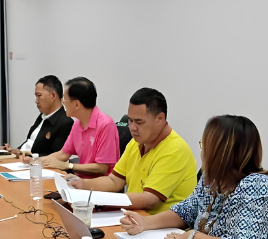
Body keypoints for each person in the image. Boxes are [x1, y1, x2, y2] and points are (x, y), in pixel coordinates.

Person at [120, 115, 268, 239]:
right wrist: (145, 223)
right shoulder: (211, 179)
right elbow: (186, 211)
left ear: (221, 153)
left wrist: (192, 237)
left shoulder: (257, 185)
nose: (202, 153)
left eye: (205, 146)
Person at [65, 88, 197, 214]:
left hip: (161, 225)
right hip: (133, 216)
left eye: (139, 122)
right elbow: (114, 181)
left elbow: (149, 199)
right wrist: (82, 184)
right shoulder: (136, 143)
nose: (132, 128)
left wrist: (97, 200)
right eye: (130, 120)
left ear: (160, 119)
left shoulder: (174, 149)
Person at [33, 77, 120, 179]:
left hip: (100, 185)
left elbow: (102, 168)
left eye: (64, 99)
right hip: (79, 181)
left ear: (76, 104)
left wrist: (69, 166)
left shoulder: (106, 125)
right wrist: (36, 162)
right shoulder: (77, 124)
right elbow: (63, 154)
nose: (63, 103)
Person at [2, 75, 73, 158]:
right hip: (22, 160)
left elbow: (56, 157)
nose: (36, 101)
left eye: (39, 96)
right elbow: (30, 142)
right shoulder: (42, 117)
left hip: (37, 164)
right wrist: (14, 150)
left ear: (53, 95)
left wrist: (24, 154)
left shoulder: (65, 122)